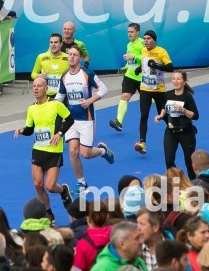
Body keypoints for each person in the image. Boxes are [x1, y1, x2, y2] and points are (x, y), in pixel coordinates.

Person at [14, 76, 75, 223]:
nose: (36, 89)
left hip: (54, 151)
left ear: (46, 89)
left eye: (39, 86)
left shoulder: (56, 104)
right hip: (38, 150)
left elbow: (70, 119)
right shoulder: (32, 109)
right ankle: (48, 213)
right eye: (34, 86)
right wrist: (22, 130)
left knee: (50, 186)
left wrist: (59, 134)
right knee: (38, 185)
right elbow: (30, 129)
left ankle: (63, 190)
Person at [55, 46, 115, 193]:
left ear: (80, 58)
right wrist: (49, 107)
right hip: (71, 120)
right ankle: (81, 183)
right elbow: (60, 97)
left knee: (86, 154)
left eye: (75, 55)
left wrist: (89, 101)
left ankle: (102, 151)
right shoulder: (64, 76)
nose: (71, 57)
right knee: (73, 152)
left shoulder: (88, 74)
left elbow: (104, 89)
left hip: (86, 119)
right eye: (70, 54)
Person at [134, 30, 173, 155]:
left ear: (154, 40)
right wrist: (139, 69)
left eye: (148, 38)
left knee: (163, 115)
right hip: (145, 88)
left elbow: (170, 67)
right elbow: (146, 64)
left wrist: (156, 65)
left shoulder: (161, 51)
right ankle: (142, 143)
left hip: (159, 89)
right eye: (144, 38)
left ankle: (176, 131)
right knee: (144, 115)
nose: (146, 41)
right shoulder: (143, 51)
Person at [154, 70, 199, 179]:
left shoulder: (187, 96)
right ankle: (176, 181)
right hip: (170, 131)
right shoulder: (168, 94)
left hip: (186, 132)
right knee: (169, 161)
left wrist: (183, 110)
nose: (175, 81)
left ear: (184, 81)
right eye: (174, 79)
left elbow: (196, 116)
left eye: (178, 79)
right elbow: (164, 107)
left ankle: (193, 184)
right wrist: (161, 115)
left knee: (189, 163)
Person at [110, 23, 145, 132]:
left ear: (138, 32)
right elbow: (130, 61)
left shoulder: (142, 43)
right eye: (128, 32)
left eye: (132, 32)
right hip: (129, 76)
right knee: (125, 96)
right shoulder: (129, 44)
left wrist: (133, 56)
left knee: (150, 99)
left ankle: (163, 100)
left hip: (142, 77)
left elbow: (146, 57)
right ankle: (119, 122)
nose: (129, 34)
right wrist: (125, 67)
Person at [32, 33, 70, 99]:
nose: (53, 44)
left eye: (56, 42)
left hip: (63, 95)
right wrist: (38, 76)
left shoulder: (68, 58)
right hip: (46, 95)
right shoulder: (41, 57)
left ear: (61, 44)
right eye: (51, 42)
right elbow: (33, 74)